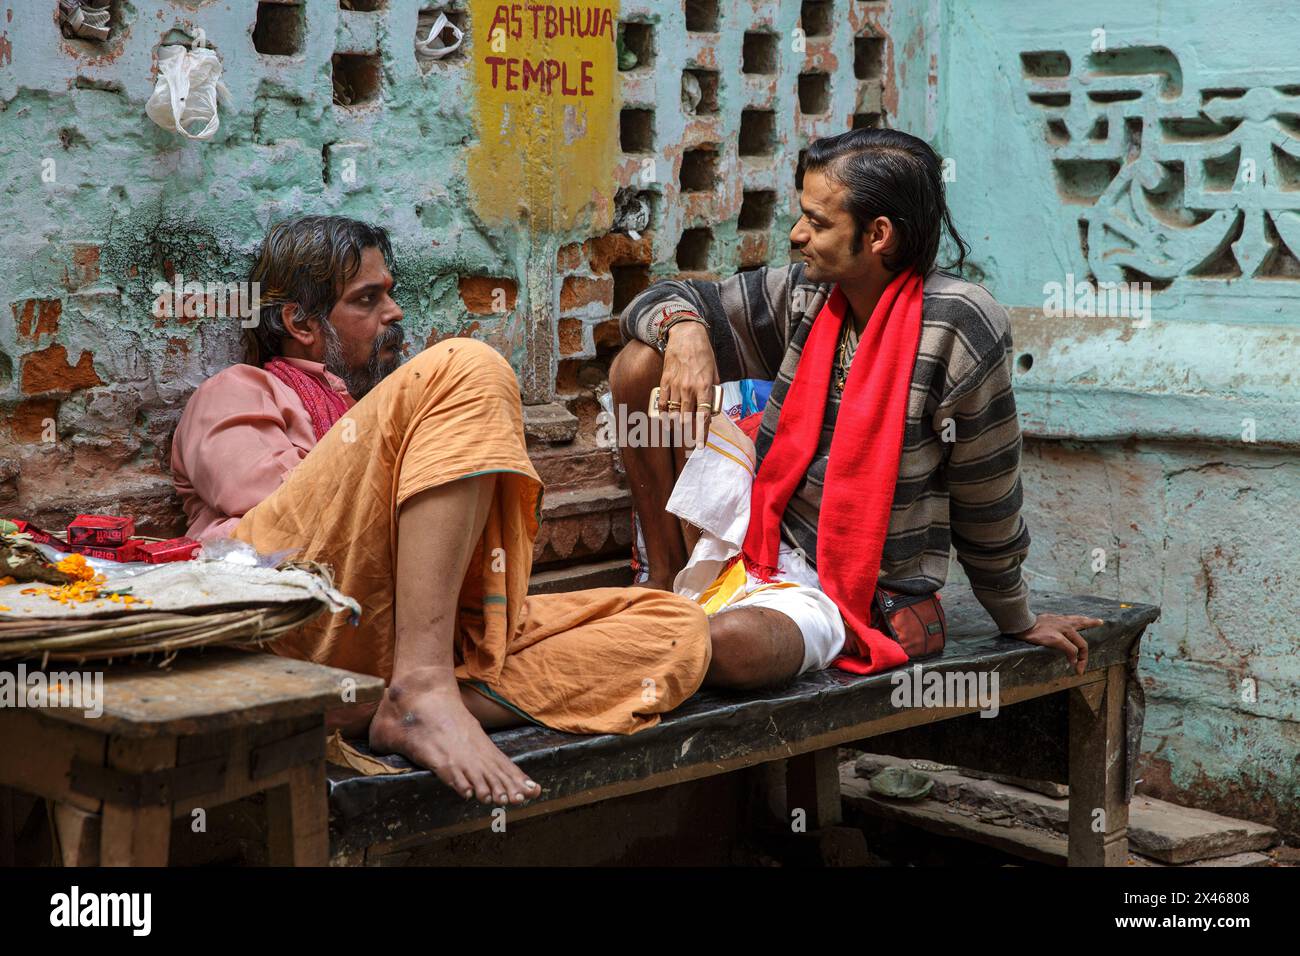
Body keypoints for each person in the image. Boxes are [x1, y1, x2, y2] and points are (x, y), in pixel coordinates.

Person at [171, 216, 711, 806]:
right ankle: (422, 689)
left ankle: (384, 703)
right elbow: (281, 532)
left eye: (390, 292)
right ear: (300, 323)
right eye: (368, 299)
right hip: (298, 621)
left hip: (404, 638)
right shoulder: (237, 390)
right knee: (469, 365)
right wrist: (404, 433)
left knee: (674, 629)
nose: (394, 312)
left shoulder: (374, 404)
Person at [610, 128, 1100, 689]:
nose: (797, 235)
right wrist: (686, 329)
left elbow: (985, 490)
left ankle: (687, 623)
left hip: (853, 591)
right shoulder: (808, 293)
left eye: (817, 223)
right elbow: (650, 303)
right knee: (638, 363)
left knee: (723, 647)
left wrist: (1016, 617)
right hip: (759, 539)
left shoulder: (960, 323)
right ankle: (665, 580)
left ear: (878, 235)